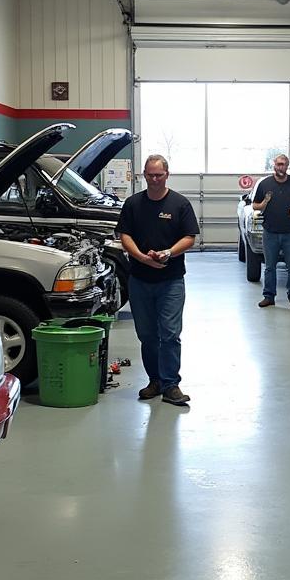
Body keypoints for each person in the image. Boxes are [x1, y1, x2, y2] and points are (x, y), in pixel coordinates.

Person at [116, 154, 200, 406]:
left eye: (159, 175)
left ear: (167, 174)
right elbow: (125, 234)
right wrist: (142, 257)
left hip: (171, 280)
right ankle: (155, 381)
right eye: (150, 175)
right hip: (140, 280)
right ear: (144, 175)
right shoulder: (133, 204)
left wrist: (167, 253)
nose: (154, 179)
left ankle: (171, 385)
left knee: (170, 334)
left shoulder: (179, 204)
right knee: (147, 335)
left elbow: (190, 237)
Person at [252, 154, 290, 309]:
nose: (281, 167)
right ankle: (269, 296)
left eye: (284, 164)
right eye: (278, 164)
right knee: (270, 267)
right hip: (270, 232)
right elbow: (255, 205)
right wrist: (265, 202)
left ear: (287, 166)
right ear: (274, 165)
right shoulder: (265, 184)